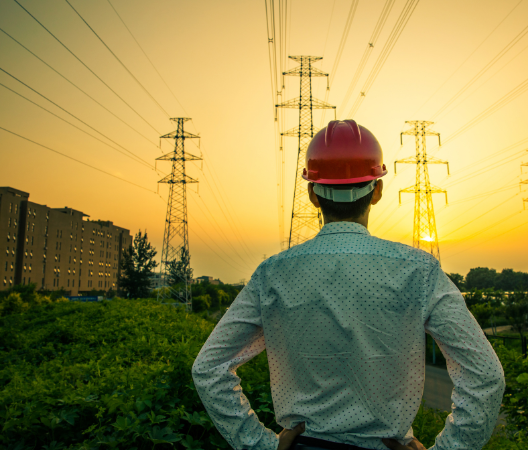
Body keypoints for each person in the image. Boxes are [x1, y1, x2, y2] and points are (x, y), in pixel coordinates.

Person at [192, 120, 505, 450]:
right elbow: (485, 375)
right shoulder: (418, 272)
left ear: (313, 194)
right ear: (378, 191)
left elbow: (209, 368)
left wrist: (260, 445)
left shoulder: (273, 274)